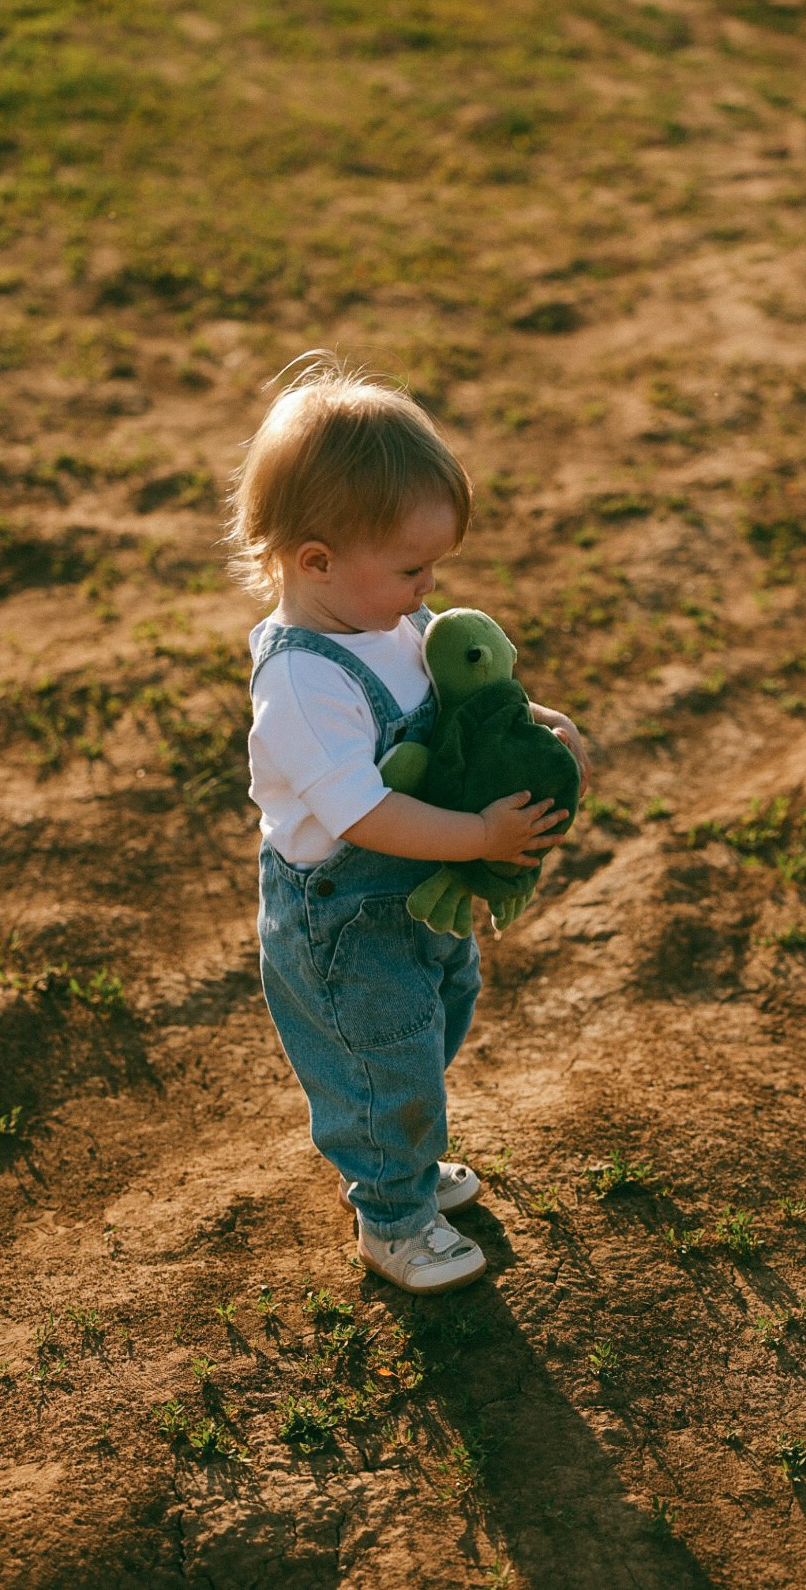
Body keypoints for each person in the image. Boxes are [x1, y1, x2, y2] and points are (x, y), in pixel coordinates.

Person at [227, 353, 591, 1294]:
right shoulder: (305, 685)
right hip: (344, 915)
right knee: (382, 1056)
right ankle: (391, 1216)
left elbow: (460, 703)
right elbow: (367, 811)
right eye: (411, 567)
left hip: (416, 899)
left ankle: (407, 1161)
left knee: (437, 1015)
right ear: (317, 562)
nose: (428, 587)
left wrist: (530, 725)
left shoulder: (389, 622)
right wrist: (480, 839)